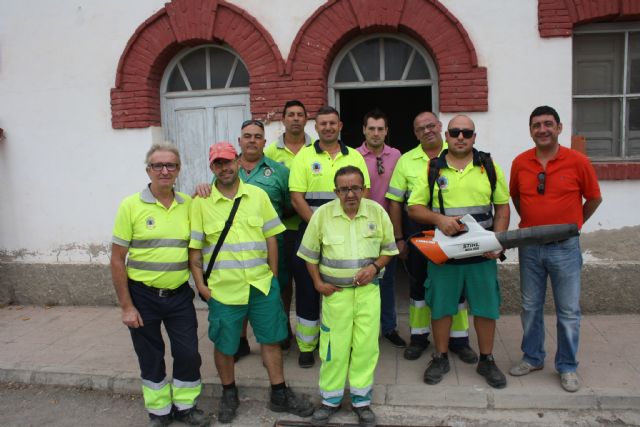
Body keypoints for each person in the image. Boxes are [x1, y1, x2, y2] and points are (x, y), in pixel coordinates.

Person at [188, 142, 313, 423]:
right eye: (218, 164)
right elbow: (194, 249)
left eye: (228, 161)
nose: (224, 168)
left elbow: (272, 236)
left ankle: (279, 392)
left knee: (271, 340)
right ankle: (228, 392)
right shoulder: (200, 203)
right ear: (212, 168)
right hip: (223, 290)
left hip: (260, 286)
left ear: (238, 162)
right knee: (225, 345)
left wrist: (272, 275)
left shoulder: (257, 195)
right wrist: (201, 286)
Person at [408, 115, 510, 389]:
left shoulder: (488, 166)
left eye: (467, 132)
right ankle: (440, 357)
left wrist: (497, 240)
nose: (461, 137)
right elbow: (414, 207)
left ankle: (486, 359)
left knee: (486, 308)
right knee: (441, 307)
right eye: (455, 132)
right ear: (447, 136)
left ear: (474, 137)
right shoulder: (432, 168)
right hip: (445, 254)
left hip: (482, 255)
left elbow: (502, 207)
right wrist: (439, 220)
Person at [110, 143, 208, 427]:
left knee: (188, 353)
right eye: (158, 166)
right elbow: (117, 260)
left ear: (178, 170)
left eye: (171, 166)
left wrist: (205, 188)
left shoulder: (188, 205)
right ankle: (159, 412)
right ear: (148, 170)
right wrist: (127, 306)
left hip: (179, 296)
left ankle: (185, 407)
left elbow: (196, 245)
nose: (164, 171)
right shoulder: (131, 206)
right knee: (150, 356)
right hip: (143, 296)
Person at [509, 106, 602, 392]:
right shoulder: (520, 163)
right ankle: (533, 357)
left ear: (559, 128)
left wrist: (572, 226)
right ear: (530, 131)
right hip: (530, 247)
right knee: (530, 307)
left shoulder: (578, 161)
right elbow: (516, 197)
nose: (542, 129)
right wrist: (535, 227)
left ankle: (567, 366)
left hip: (565, 248)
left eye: (548, 124)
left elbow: (594, 198)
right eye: (536, 125)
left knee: (569, 311)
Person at [297, 166, 398, 427]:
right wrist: (319, 284)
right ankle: (330, 400)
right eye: (344, 189)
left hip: (368, 294)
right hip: (336, 295)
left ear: (364, 188)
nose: (350, 194)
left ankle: (361, 401)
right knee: (333, 348)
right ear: (336, 191)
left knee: (365, 347)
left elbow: (389, 250)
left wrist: (375, 267)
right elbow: (309, 255)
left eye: (355, 188)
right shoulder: (322, 216)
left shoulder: (377, 212)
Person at [196, 119, 291, 361]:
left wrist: (274, 273)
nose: (252, 140)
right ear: (240, 143)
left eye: (257, 136)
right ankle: (239, 341)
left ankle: (281, 333)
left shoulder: (279, 171)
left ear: (264, 141)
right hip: (230, 263)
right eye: (247, 136)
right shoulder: (209, 191)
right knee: (237, 298)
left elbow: (289, 205)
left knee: (274, 297)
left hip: (269, 245)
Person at [385, 111, 476, 362]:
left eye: (431, 125)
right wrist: (399, 238)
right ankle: (418, 337)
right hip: (417, 230)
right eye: (420, 128)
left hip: (454, 232)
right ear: (415, 134)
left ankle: (459, 339)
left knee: (455, 287)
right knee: (418, 285)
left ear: (440, 127)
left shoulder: (457, 153)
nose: (427, 131)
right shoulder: (406, 161)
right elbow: (394, 202)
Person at [288, 106, 370, 368]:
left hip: (348, 232)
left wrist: (342, 226)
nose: (327, 128)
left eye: (332, 123)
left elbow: (363, 192)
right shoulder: (303, 156)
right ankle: (306, 345)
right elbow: (297, 197)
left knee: (343, 291)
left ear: (340, 126)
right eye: (322, 124)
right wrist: (320, 228)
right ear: (316, 127)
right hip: (311, 231)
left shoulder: (355, 156)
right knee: (308, 289)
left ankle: (341, 342)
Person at [265, 100, 313, 350]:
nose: (295, 118)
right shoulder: (271, 153)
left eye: (300, 115)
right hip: (281, 230)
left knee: (310, 283)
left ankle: (313, 329)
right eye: (290, 115)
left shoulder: (317, 149)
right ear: (283, 119)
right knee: (283, 283)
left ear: (306, 119)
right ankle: (283, 329)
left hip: (311, 229)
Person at [355, 109, 405, 348]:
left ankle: (389, 327)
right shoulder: (353, 156)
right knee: (361, 280)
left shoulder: (396, 155)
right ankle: (364, 329)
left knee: (387, 281)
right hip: (360, 229)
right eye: (371, 128)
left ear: (386, 131)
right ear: (363, 130)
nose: (375, 133)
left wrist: (399, 233)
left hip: (387, 228)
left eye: (380, 129)